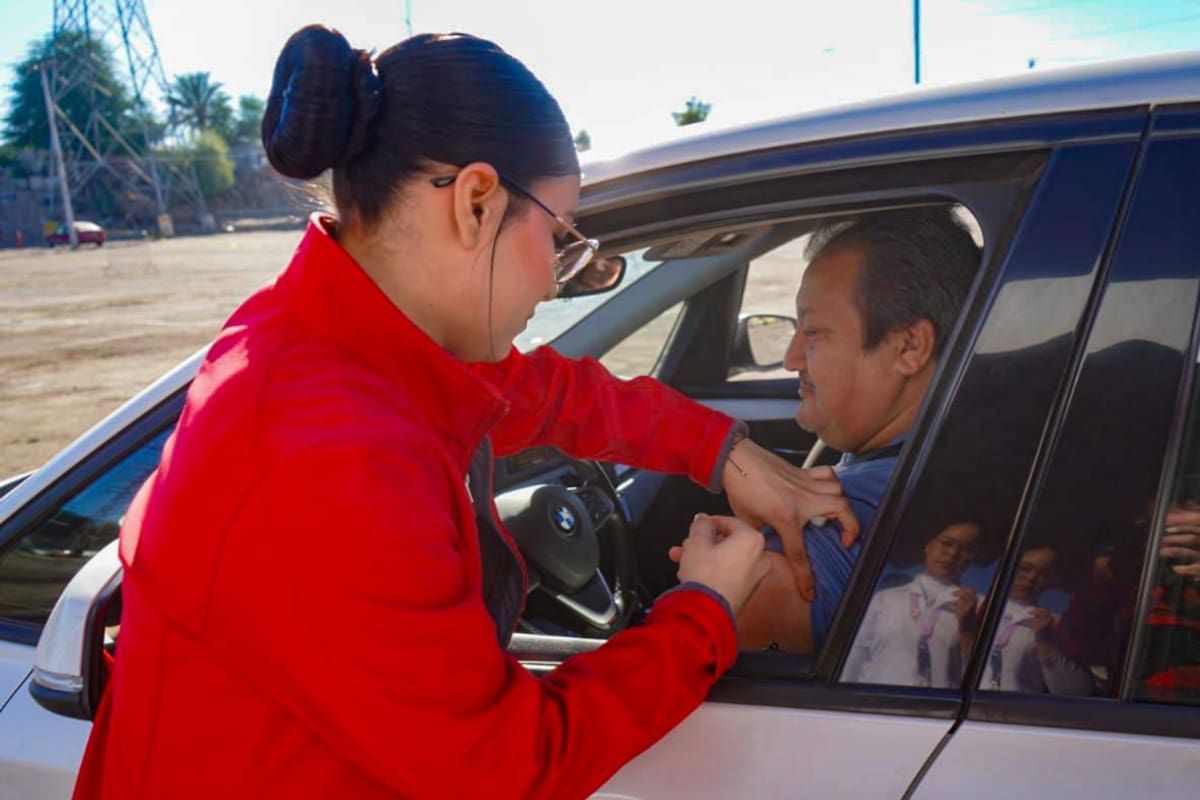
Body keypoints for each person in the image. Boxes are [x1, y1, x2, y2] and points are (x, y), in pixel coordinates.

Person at [70, 26, 852, 800]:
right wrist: (703, 615)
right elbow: (506, 767)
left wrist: (722, 452)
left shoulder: (332, 343)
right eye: (559, 236)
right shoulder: (333, 455)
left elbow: (543, 392)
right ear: (478, 201)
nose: (553, 280)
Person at [734, 208, 981, 653]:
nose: (791, 359)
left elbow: (650, 687)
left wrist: (708, 576)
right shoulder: (970, 453)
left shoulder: (826, 531)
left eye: (812, 331)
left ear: (909, 347)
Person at [843, 521, 983, 688]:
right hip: (875, 705)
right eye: (946, 543)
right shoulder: (885, 600)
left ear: (971, 559)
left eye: (966, 549)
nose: (953, 554)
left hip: (936, 709)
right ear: (928, 545)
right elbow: (854, 659)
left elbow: (986, 677)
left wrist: (967, 631)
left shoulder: (981, 607)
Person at [984, 544, 1094, 695]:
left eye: (1044, 574)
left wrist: (1046, 643)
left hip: (1013, 714)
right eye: (1024, 568)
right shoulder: (971, 608)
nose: (1031, 577)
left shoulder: (1056, 624)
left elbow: (1077, 694)